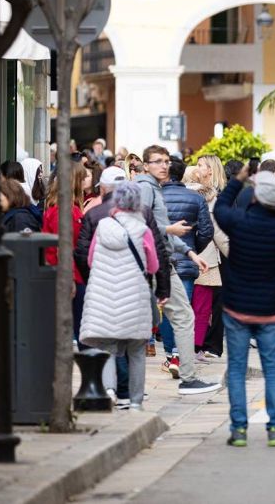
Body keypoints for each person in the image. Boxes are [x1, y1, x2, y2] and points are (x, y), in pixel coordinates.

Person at [213, 167, 275, 447]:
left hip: (237, 306)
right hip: (271, 309)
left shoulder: (238, 222)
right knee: (272, 368)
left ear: (255, 198)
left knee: (237, 369)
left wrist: (239, 179)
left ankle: (239, 429)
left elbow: (220, 207)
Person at [136, 145, 218, 395]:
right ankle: (128, 386)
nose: (163, 165)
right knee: (142, 323)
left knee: (180, 317)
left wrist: (190, 253)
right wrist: (170, 232)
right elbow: (139, 226)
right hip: (150, 264)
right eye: (157, 161)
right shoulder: (145, 189)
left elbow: (160, 227)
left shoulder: (155, 188)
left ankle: (187, 377)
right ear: (146, 165)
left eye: (166, 161)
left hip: (163, 262)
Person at [82, 182, 159, 411]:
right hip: (134, 299)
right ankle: (135, 402)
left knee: (107, 347)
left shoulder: (103, 226)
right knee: (136, 351)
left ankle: (109, 391)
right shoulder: (143, 230)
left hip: (104, 296)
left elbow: (89, 260)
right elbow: (153, 266)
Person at [161, 157, 214, 370]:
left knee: (165, 306)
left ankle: (169, 354)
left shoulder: (156, 196)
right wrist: (193, 249)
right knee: (184, 308)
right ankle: (177, 354)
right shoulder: (196, 199)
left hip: (161, 258)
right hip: (186, 261)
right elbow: (207, 231)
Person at [185, 161, 230, 359]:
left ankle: (176, 350)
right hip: (206, 259)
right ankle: (196, 348)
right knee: (202, 308)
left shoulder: (175, 195)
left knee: (182, 306)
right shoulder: (210, 198)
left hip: (180, 256)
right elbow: (216, 232)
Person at [44, 161, 88, 342]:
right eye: (83, 176)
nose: (87, 179)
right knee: (82, 332)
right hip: (69, 276)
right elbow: (62, 245)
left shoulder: (67, 207)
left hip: (70, 274)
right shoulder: (64, 210)